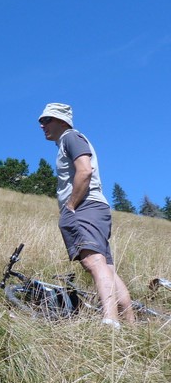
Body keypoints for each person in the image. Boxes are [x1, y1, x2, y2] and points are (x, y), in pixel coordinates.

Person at [39, 102, 135, 328]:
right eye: (41, 121)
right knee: (107, 268)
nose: (42, 125)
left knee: (93, 261)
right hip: (94, 208)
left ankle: (110, 320)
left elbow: (85, 170)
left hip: (85, 207)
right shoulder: (69, 140)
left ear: (62, 121)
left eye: (47, 120)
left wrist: (71, 205)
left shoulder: (70, 137)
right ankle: (132, 327)